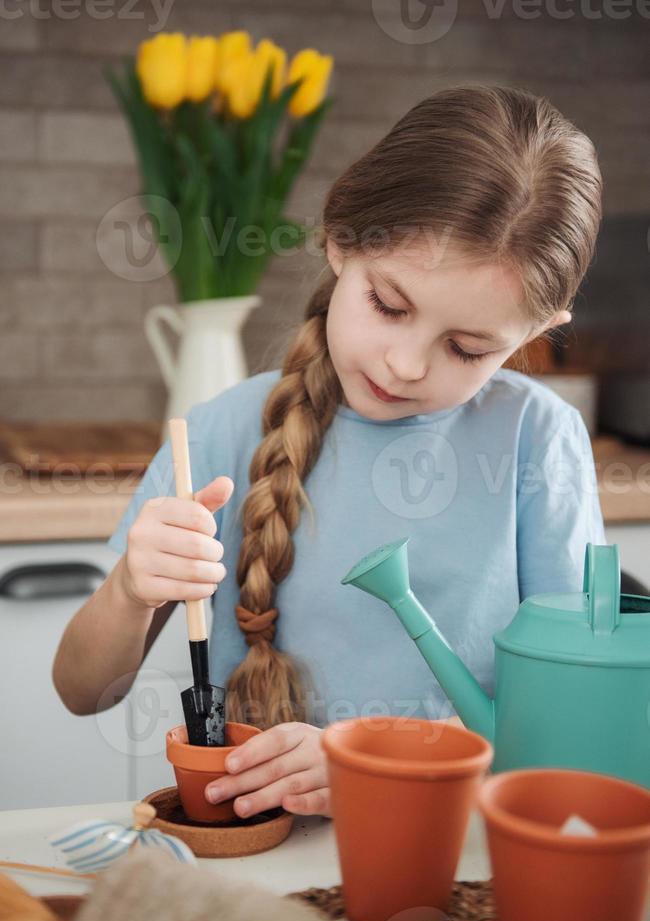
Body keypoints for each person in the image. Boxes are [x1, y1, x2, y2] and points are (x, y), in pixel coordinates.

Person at [53, 84, 606, 823]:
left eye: (467, 348)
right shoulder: (220, 432)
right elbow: (84, 692)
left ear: (540, 327)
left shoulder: (539, 440)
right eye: (390, 305)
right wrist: (130, 589)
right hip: (257, 863)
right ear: (340, 238)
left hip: (455, 856)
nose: (407, 365)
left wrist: (387, 763)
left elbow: (577, 727)